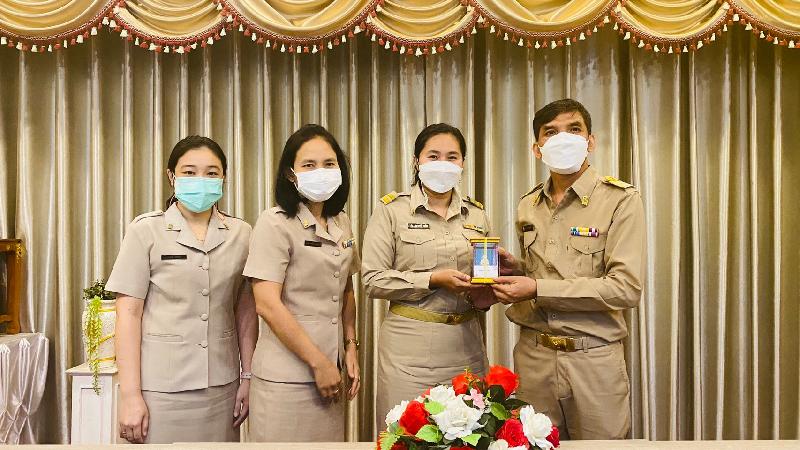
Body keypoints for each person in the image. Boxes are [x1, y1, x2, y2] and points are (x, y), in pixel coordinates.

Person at [491, 99, 645, 440]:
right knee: (531, 445)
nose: (563, 138)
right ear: (537, 149)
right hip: (534, 356)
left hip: (593, 358)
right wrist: (517, 270)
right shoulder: (528, 204)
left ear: (591, 141)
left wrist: (536, 289)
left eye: (574, 129)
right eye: (551, 132)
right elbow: (543, 273)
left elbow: (625, 288)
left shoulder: (620, 199)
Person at [108, 136, 258, 444]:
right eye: (189, 172)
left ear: (224, 178)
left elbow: (245, 310)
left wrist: (247, 377)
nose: (200, 180)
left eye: (211, 173)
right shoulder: (145, 230)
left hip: (222, 387)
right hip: (160, 389)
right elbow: (128, 314)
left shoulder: (241, 234)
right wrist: (130, 395)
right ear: (171, 176)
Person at [361, 123, 491, 432]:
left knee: (470, 437)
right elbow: (372, 279)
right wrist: (432, 279)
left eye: (452, 157)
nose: (443, 164)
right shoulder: (392, 210)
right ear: (416, 161)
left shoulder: (476, 214)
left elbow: (483, 280)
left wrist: (489, 291)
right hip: (409, 352)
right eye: (433, 156)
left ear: (463, 163)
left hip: (466, 347)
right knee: (407, 436)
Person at [244, 124, 361, 442]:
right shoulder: (275, 223)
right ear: (290, 174)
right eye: (309, 165)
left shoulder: (341, 221)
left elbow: (346, 289)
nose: (320, 172)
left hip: (332, 373)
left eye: (329, 164)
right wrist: (319, 363)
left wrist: (350, 348)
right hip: (288, 378)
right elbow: (267, 304)